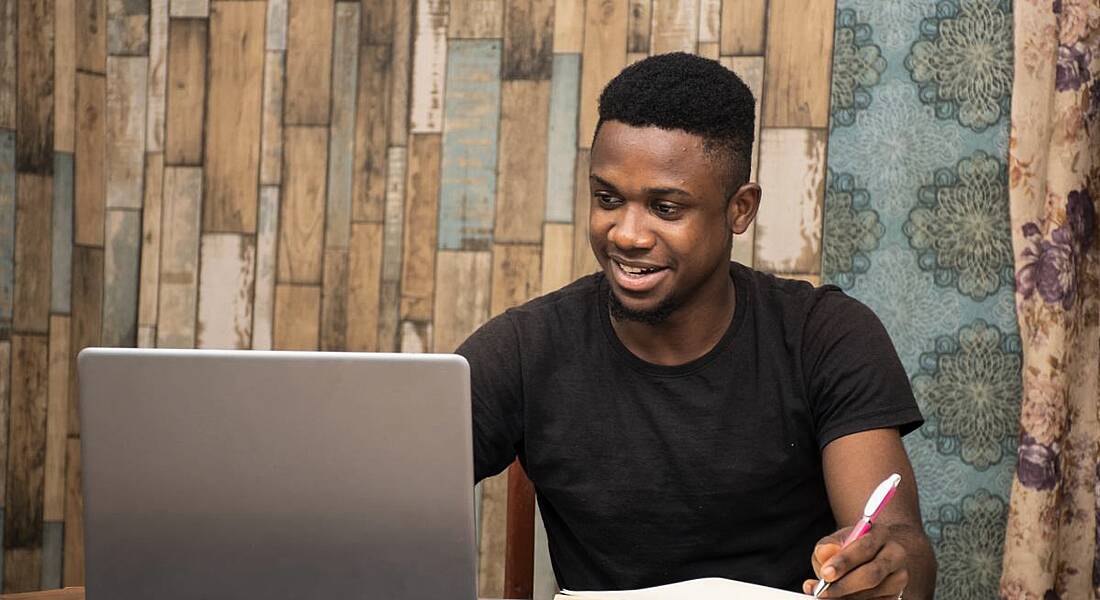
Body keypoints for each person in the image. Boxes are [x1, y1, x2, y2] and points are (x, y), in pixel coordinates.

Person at [458, 52, 936, 599]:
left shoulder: (825, 336)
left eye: (665, 208)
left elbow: (902, 545)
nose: (627, 234)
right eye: (607, 199)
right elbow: (390, 490)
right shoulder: (528, 346)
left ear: (740, 209)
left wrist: (886, 566)